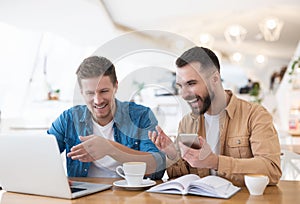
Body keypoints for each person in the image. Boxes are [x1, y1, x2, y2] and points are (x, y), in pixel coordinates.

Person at [149, 46, 281, 186]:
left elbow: (271, 170)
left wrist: (215, 162)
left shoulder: (255, 116)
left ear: (215, 79)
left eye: (191, 83)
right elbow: (182, 177)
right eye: (180, 86)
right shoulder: (187, 122)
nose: (184, 94)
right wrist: (172, 154)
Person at [47, 56, 165, 179]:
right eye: (90, 93)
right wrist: (59, 182)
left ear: (115, 87)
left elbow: (157, 167)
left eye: (104, 91)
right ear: (82, 92)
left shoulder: (141, 116)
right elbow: (42, 156)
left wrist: (110, 148)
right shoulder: (68, 119)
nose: (98, 100)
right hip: (84, 196)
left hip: (131, 196)